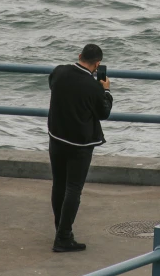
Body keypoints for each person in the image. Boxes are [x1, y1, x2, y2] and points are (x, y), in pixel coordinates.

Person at [47, 43, 112, 252]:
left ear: (79, 55)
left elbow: (53, 86)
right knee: (73, 188)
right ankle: (63, 237)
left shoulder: (59, 71)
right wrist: (107, 91)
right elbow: (103, 112)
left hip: (56, 137)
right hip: (80, 144)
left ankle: (60, 229)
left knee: (59, 184)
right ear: (98, 64)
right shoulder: (93, 86)